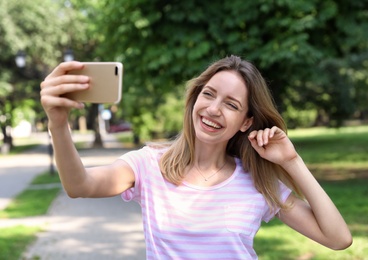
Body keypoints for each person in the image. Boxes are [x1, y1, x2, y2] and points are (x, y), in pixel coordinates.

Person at [40, 55, 352, 259]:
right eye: (208, 94)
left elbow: (338, 238)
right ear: (194, 99)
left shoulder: (257, 181)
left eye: (231, 104)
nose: (214, 109)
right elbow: (79, 185)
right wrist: (58, 123)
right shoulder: (148, 165)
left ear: (246, 122)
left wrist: (291, 162)